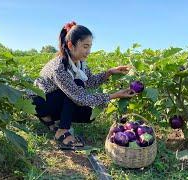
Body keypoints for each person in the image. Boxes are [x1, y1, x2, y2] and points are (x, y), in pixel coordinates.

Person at [32, 21, 137, 149]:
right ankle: (61, 131)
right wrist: (114, 95)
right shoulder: (59, 67)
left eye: (90, 46)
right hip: (39, 102)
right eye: (85, 46)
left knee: (87, 114)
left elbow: (90, 81)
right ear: (71, 45)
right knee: (77, 86)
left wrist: (109, 72)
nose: (88, 51)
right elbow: (80, 98)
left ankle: (50, 120)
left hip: (52, 99)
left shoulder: (79, 63)